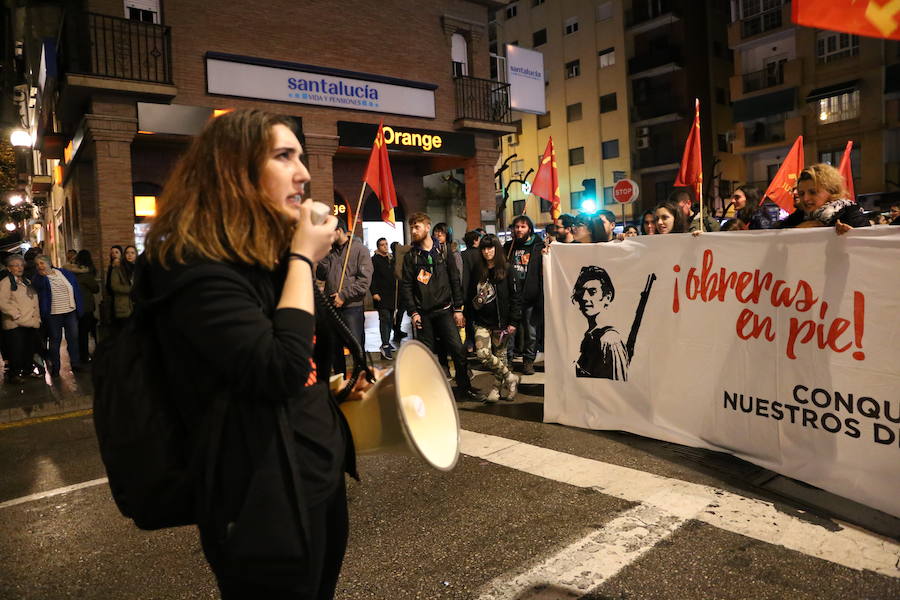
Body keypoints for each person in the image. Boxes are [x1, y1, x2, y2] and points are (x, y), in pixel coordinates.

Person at [142, 108, 356, 598]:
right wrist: (304, 257)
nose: (303, 173)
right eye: (284, 156)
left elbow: (301, 353)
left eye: (301, 157)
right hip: (262, 494)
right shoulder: (193, 266)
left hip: (316, 476)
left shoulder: (268, 255)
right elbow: (277, 368)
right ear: (234, 170)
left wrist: (335, 391)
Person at [399, 212, 480, 401]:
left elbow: (454, 280)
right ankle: (426, 392)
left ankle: (464, 387)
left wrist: (458, 309)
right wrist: (413, 312)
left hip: (445, 311)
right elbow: (407, 286)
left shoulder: (444, 252)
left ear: (428, 228)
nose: (413, 230)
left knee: (458, 350)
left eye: (416, 227)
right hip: (423, 315)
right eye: (411, 227)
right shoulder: (411, 256)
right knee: (425, 356)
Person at [316, 218, 373, 375]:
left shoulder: (359, 250)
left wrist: (344, 295)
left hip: (351, 308)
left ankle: (361, 379)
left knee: (356, 347)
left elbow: (364, 282)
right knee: (335, 348)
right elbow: (320, 275)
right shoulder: (330, 251)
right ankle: (341, 381)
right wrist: (323, 255)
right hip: (332, 308)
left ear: (338, 231)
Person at [468, 234, 520, 402]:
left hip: (502, 323)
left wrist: (513, 321)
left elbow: (515, 297)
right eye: (483, 248)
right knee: (483, 354)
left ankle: (496, 390)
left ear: (497, 249)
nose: (487, 251)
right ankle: (510, 377)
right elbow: (471, 293)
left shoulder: (507, 268)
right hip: (481, 321)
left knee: (501, 355)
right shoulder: (478, 269)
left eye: (490, 247)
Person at [502, 215, 544, 375]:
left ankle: (528, 361)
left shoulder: (538, 246)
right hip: (512, 298)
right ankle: (509, 360)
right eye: (516, 227)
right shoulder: (508, 246)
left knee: (531, 333)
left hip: (531, 297)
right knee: (509, 332)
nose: (519, 230)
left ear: (530, 229)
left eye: (523, 227)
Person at [571, 266, 628, 381]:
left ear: (607, 297)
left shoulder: (610, 340)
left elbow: (619, 385)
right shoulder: (590, 336)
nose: (584, 297)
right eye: (582, 291)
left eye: (592, 291)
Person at [31, 255, 82, 377]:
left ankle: (75, 363)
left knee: (73, 338)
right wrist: (40, 275)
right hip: (53, 314)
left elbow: (75, 288)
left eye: (42, 263)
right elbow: (36, 284)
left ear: (49, 263)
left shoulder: (63, 273)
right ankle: (56, 367)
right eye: (37, 264)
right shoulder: (40, 278)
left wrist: (79, 307)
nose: (40, 266)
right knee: (55, 341)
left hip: (70, 311)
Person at [785, 163, 870, 234]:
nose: (805, 198)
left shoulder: (851, 214)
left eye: (813, 192)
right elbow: (775, 236)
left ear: (832, 191)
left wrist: (852, 235)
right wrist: (798, 229)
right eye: (801, 193)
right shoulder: (798, 217)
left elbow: (868, 245)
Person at [0, 255, 41, 383]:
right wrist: (16, 315)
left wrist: (37, 318)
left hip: (30, 321)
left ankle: (28, 371)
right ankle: (14, 374)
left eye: (21, 265)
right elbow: (2, 302)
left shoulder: (26, 281)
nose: (19, 268)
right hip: (15, 323)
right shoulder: (6, 282)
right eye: (16, 265)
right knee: (15, 350)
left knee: (29, 349)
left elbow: (34, 300)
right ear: (9, 268)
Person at [69, 250, 100, 362]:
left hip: (74, 307)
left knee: (78, 333)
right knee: (86, 332)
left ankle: (78, 356)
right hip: (87, 307)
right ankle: (85, 356)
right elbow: (96, 288)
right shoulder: (86, 274)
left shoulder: (70, 274)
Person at [370, 237, 395, 360]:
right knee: (384, 319)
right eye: (382, 245)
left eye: (386, 244)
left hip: (391, 295)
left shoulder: (390, 259)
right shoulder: (374, 260)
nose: (385, 246)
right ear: (378, 247)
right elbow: (371, 277)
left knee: (390, 320)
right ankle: (385, 345)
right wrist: (374, 292)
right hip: (380, 295)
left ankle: (387, 341)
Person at [108, 245, 137, 336]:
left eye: (132, 253)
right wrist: (132, 289)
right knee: (125, 335)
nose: (130, 255)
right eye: (127, 253)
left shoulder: (139, 269)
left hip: (137, 305)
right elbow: (115, 286)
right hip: (123, 306)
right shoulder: (118, 269)